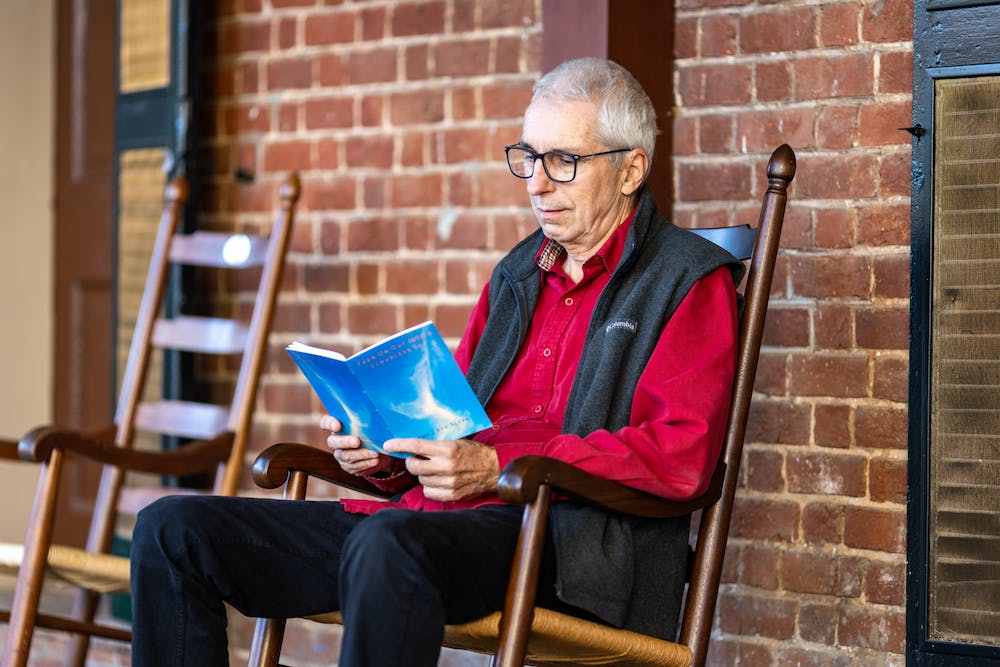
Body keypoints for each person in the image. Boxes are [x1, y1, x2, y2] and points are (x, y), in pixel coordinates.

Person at [130, 57, 743, 666]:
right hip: (426, 523)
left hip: (568, 544)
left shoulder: (686, 279)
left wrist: (498, 465)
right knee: (171, 530)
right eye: (528, 158)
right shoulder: (518, 276)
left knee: (390, 545)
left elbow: (679, 458)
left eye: (563, 161)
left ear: (631, 168)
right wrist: (387, 455)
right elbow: (455, 430)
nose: (536, 182)